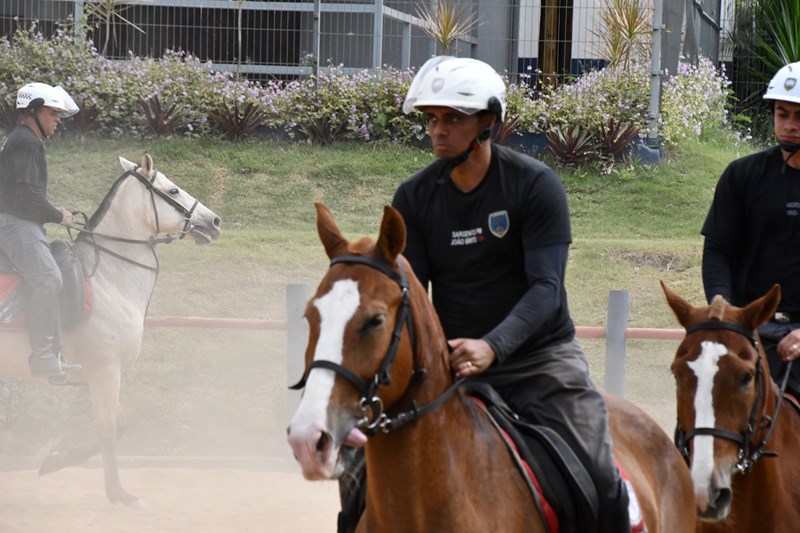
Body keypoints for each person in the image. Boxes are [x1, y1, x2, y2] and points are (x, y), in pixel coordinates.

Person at [337, 56, 632, 533]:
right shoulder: (414, 196)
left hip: (540, 361)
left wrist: (492, 345)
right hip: (452, 365)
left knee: (599, 477)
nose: (438, 130)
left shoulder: (535, 185)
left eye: (453, 118)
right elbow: (414, 295)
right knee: (356, 470)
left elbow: (547, 289)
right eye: (432, 119)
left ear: (488, 122)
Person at [701, 61, 800, 398]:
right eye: (782, 114)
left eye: (799, 116)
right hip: (749, 330)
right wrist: (727, 317)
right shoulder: (741, 176)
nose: (790, 126)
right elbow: (717, 251)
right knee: (701, 419)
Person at [0, 82, 82, 378]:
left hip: (19, 222)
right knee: (48, 278)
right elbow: (27, 195)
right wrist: (58, 215)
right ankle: (44, 356)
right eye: (52, 113)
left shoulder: (21, 140)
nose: (57, 119)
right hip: (15, 225)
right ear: (33, 111)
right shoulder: (27, 142)